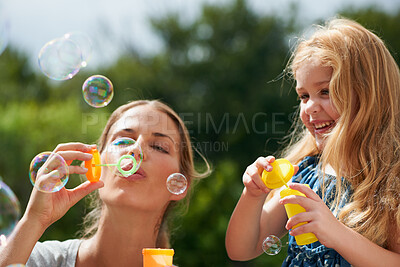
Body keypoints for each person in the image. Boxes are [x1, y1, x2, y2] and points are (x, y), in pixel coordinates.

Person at [225, 17, 400, 266]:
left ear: (369, 95)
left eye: (326, 92)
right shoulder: (305, 174)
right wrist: (252, 196)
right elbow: (241, 249)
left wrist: (336, 233)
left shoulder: (390, 181)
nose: (310, 108)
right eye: (303, 96)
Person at [0, 99, 210, 267]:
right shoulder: (37, 260)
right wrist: (35, 219)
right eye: (122, 140)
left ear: (180, 184)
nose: (135, 151)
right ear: (96, 165)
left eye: (159, 147)